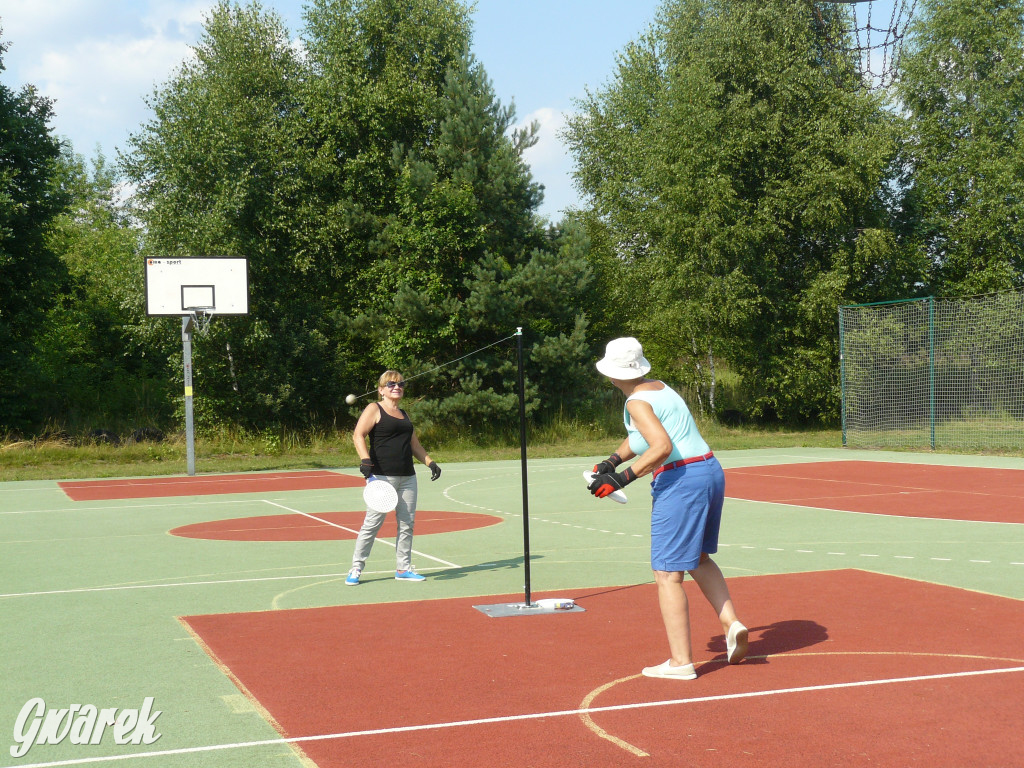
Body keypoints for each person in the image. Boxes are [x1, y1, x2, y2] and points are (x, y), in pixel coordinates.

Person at [588, 337, 747, 679]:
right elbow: (642, 436)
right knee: (699, 558)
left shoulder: (634, 403)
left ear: (613, 374)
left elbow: (660, 446)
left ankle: (681, 662)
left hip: (681, 480)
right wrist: (611, 461)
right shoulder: (658, 388)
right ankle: (731, 623)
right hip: (709, 470)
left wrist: (621, 478)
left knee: (667, 573)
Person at [346, 371, 441, 586]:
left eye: (400, 384)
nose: (396, 387)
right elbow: (358, 435)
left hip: (408, 477)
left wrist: (430, 463)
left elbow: (414, 445)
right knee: (372, 524)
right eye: (390, 384)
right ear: (381, 390)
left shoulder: (405, 415)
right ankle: (356, 568)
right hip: (381, 477)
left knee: (407, 524)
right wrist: (365, 460)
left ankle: (403, 568)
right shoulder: (374, 409)